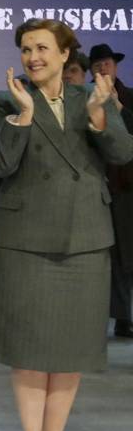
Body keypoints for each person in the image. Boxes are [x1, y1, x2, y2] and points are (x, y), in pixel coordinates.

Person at [0, 19, 133, 431]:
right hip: (25, 237)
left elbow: (123, 152)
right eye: (27, 49)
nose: (33, 57)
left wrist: (101, 115)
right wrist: (24, 117)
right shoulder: (7, 99)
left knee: (71, 344)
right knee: (29, 344)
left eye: (43, 48)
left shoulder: (91, 97)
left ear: (66, 55)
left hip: (84, 235)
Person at [88, 43, 133, 337]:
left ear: (115, 67)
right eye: (98, 64)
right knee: (114, 257)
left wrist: (118, 108)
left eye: (107, 63)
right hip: (101, 185)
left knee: (127, 255)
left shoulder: (129, 97)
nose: (103, 68)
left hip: (128, 185)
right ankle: (122, 317)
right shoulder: (85, 98)